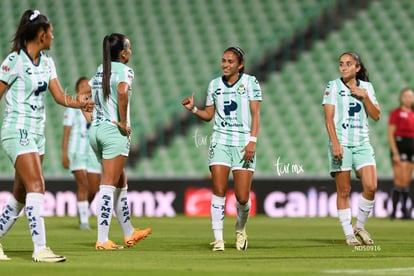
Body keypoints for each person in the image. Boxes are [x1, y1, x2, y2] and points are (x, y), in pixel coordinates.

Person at [0, 9, 93, 262]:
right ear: (41, 35)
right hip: (16, 130)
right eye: (51, 32)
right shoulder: (14, 61)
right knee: (37, 185)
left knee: (21, 194)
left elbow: (60, 96)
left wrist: (80, 104)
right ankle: (40, 248)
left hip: (37, 135)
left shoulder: (47, 62)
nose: (54, 35)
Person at [181, 46, 262, 251]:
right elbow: (209, 115)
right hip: (220, 142)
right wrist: (194, 109)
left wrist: (252, 140)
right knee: (218, 190)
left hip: (243, 143)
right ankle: (218, 239)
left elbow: (256, 114)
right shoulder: (214, 85)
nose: (225, 65)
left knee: (243, 197)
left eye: (230, 62)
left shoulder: (250, 83)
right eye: (223, 61)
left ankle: (240, 228)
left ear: (240, 65)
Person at [88, 33, 152, 250]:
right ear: (123, 53)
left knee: (120, 181)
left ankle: (129, 232)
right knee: (107, 183)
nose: (131, 52)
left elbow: (86, 94)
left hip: (95, 131)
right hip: (113, 132)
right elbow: (122, 91)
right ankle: (102, 239)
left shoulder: (100, 70)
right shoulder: (125, 71)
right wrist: (124, 122)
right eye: (130, 48)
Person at [322, 51, 380, 246]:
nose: (344, 67)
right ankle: (348, 233)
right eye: (341, 64)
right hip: (342, 144)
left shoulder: (367, 88)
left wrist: (365, 97)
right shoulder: (333, 86)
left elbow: (376, 115)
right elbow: (328, 118)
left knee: (371, 186)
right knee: (344, 190)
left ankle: (360, 226)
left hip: (362, 144)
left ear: (357, 68)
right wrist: (335, 143)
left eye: (348, 64)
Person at [62, 77, 101, 230]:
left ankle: (82, 208)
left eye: (88, 85)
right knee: (83, 184)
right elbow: (66, 132)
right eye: (82, 85)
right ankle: (84, 220)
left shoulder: (96, 106)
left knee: (93, 187)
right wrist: (64, 153)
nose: (86, 87)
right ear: (77, 89)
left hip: (93, 150)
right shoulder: (72, 107)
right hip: (77, 149)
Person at [388, 87, 414, 219]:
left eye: (411, 96)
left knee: (406, 182)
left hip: (412, 147)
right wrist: (395, 152)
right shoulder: (396, 113)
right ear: (401, 98)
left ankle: (404, 211)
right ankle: (393, 212)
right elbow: (390, 134)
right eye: (406, 96)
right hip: (400, 146)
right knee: (399, 180)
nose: (408, 99)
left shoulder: (413, 113)